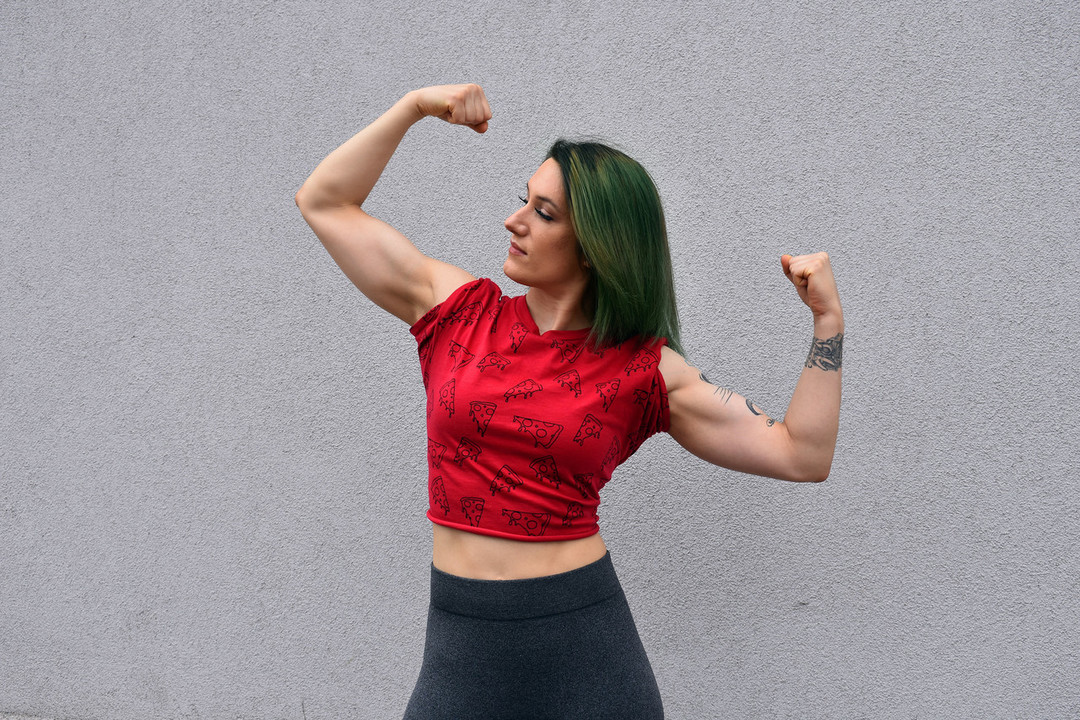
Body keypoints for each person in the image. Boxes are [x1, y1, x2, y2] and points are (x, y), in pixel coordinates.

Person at [295, 83, 843, 720]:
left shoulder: (644, 370)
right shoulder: (457, 313)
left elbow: (802, 454)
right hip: (460, 650)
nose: (515, 221)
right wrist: (413, 106)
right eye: (523, 200)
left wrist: (827, 322)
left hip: (586, 662)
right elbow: (324, 202)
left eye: (545, 213)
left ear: (596, 245)